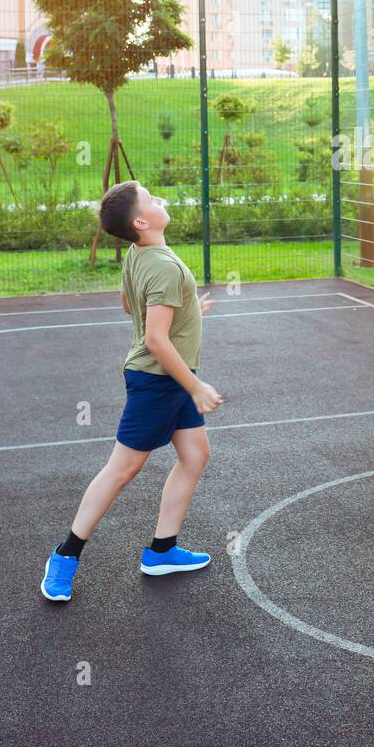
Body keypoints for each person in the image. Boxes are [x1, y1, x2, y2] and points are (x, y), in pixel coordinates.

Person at [40, 182, 223, 602]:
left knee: (195, 455)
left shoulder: (137, 255)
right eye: (152, 199)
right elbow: (157, 340)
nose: (161, 200)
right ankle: (65, 557)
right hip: (158, 380)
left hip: (166, 379)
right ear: (141, 221)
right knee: (121, 470)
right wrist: (195, 385)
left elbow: (129, 304)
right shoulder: (163, 265)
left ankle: (161, 551)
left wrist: (190, 308)